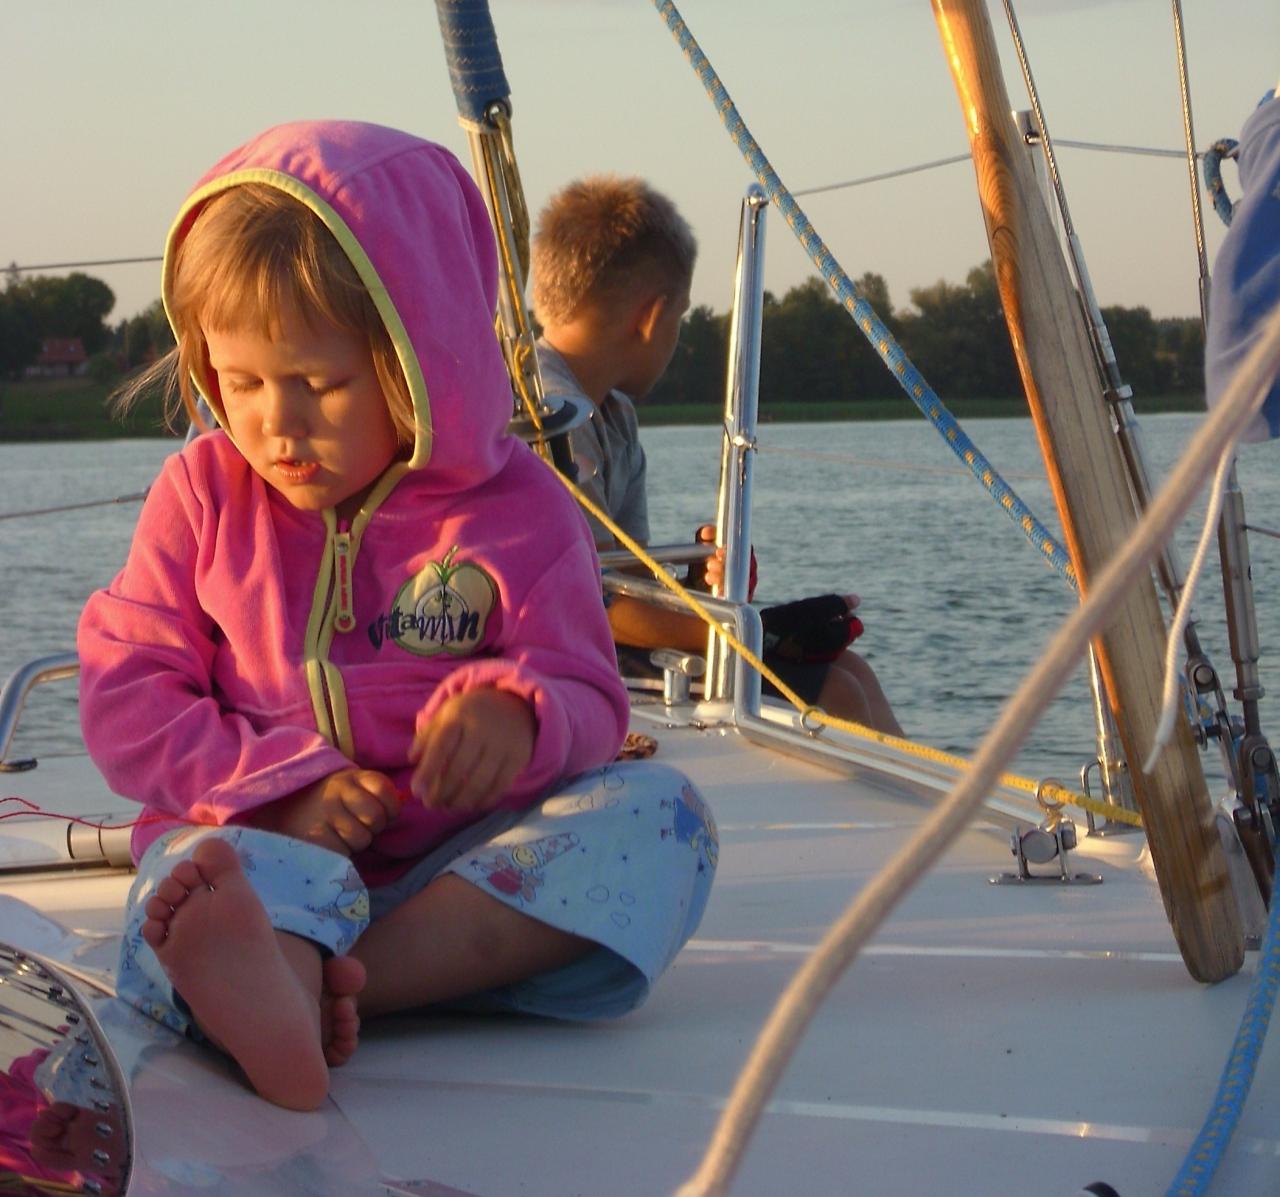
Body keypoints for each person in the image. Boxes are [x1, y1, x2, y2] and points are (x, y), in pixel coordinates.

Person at [76, 122, 718, 1112]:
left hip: (454, 874)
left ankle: (328, 984)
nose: (274, 424)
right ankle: (263, 966)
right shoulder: (203, 495)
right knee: (198, 881)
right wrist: (277, 793)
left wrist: (521, 713)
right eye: (239, 383)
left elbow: (587, 685)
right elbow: (128, 692)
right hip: (258, 849)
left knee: (660, 820)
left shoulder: (515, 511)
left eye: (319, 386)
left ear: (422, 357)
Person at [531, 175, 903, 736]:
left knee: (850, 671)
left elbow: (629, 580)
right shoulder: (553, 416)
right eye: (679, 318)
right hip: (555, 658)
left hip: (602, 638)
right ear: (651, 317)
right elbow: (590, 606)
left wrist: (699, 589)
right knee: (835, 693)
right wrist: (744, 633)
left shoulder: (615, 417)